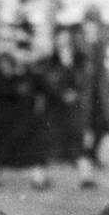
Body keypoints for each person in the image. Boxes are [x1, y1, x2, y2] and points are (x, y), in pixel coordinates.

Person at [0, 22, 51, 190]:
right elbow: (1, 82)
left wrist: (29, 68)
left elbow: (41, 82)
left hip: (27, 108)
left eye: (25, 34)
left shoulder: (36, 55)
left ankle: (38, 178)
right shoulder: (5, 55)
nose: (22, 37)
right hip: (8, 108)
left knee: (33, 144)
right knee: (4, 142)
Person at [41, 25, 98, 189]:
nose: (63, 42)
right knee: (50, 143)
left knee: (77, 142)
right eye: (60, 38)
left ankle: (85, 177)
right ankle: (40, 178)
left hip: (74, 108)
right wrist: (61, 94)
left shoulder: (80, 59)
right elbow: (47, 81)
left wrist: (74, 93)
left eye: (66, 39)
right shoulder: (50, 61)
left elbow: (85, 79)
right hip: (55, 108)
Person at [80, 7, 109, 169]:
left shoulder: (100, 40)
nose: (93, 26)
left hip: (99, 91)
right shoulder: (80, 41)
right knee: (84, 126)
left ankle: (92, 153)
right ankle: (85, 155)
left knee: (101, 125)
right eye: (90, 22)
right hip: (85, 91)